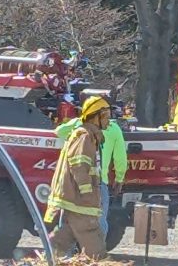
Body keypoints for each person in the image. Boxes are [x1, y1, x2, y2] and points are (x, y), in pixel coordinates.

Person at [44, 96, 110, 260]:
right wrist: (87, 192)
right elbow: (78, 165)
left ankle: (48, 258)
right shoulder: (84, 136)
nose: (109, 121)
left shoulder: (89, 135)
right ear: (96, 117)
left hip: (74, 199)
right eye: (106, 117)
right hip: (79, 200)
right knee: (93, 240)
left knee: (65, 235)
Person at [55, 100, 128, 240]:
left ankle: (64, 257)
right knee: (98, 224)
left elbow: (59, 132)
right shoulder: (113, 128)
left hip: (74, 184)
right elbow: (120, 158)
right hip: (99, 185)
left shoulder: (78, 125)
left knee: (67, 223)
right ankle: (94, 257)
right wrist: (119, 179)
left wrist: (78, 122)